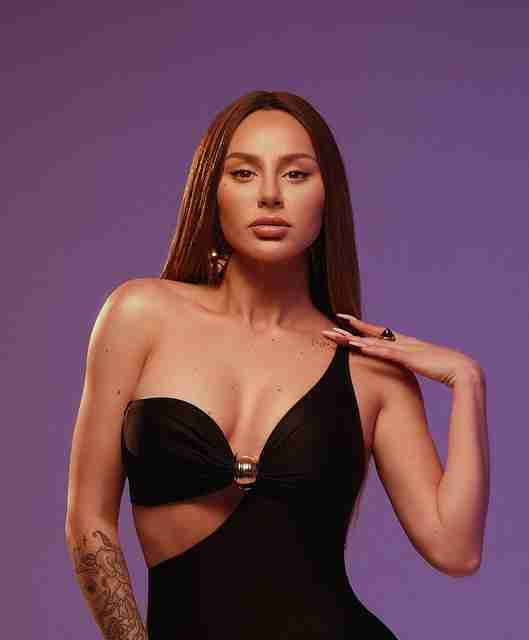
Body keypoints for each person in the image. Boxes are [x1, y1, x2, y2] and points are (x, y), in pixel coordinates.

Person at [65, 90, 489, 639]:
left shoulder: (369, 372)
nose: (269, 195)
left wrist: (466, 380)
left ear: (327, 196)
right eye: (244, 173)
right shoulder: (140, 315)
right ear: (211, 192)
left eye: (295, 174)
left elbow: (455, 549)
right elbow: (90, 520)